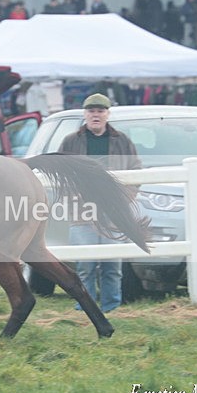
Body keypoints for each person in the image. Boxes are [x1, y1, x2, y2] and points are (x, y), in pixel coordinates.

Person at [59, 93, 141, 313]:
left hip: (113, 212)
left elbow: (136, 172)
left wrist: (125, 198)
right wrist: (72, 196)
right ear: (85, 114)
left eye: (100, 111)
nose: (96, 115)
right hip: (82, 211)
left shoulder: (122, 142)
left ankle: (111, 308)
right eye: (91, 111)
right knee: (85, 265)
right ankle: (85, 308)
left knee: (112, 265)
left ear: (107, 114)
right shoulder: (71, 142)